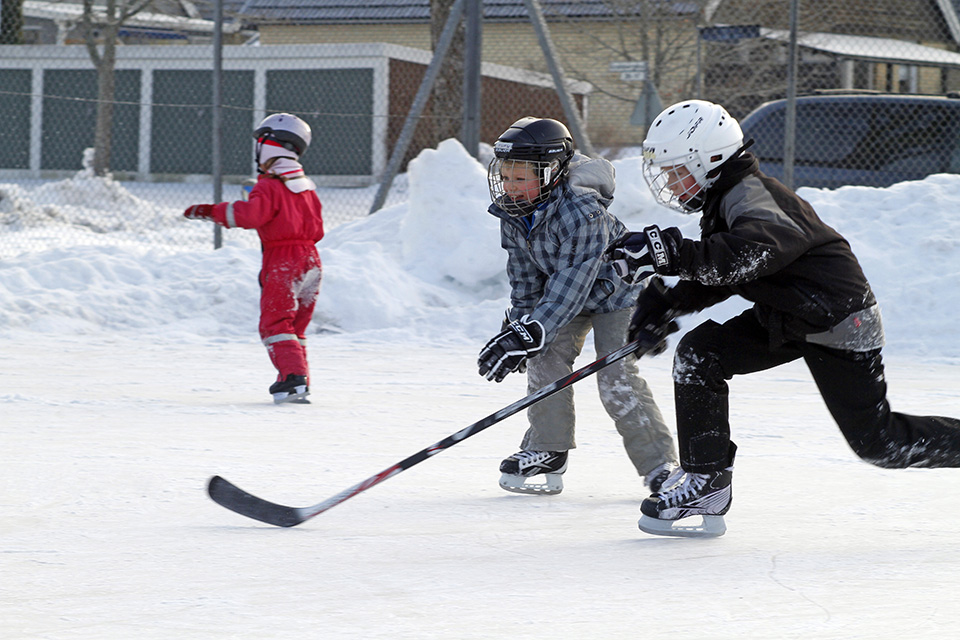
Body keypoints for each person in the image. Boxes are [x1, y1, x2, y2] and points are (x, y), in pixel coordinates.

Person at [605, 99, 960, 537]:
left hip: (837, 322)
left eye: (677, 170)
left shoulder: (752, 196)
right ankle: (706, 483)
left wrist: (669, 253)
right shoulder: (726, 199)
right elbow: (728, 271)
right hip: (789, 316)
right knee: (701, 355)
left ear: (708, 159)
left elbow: (747, 257)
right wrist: (669, 304)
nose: (671, 183)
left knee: (880, 443)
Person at [478, 116, 678, 496]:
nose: (510, 188)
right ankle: (547, 447)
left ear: (551, 171)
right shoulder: (513, 213)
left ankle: (660, 465)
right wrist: (523, 330)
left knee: (614, 377)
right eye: (505, 178)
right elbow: (525, 282)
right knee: (544, 358)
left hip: (618, 294)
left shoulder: (582, 212)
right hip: (566, 295)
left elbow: (573, 283)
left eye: (520, 179)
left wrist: (536, 329)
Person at [183, 113, 324, 404]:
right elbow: (318, 228)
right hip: (312, 259)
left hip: (283, 260)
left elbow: (251, 216)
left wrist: (212, 211)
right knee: (295, 326)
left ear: (270, 146)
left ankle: (292, 379)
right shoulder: (306, 187)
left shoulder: (269, 186)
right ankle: (298, 379)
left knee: (275, 321)